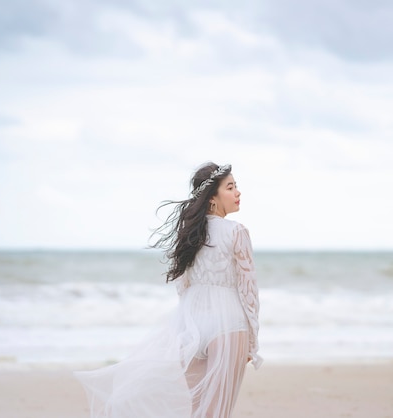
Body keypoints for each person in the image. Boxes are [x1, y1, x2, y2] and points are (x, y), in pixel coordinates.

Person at [75, 162, 262, 418]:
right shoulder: (237, 231)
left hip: (192, 323)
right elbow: (248, 289)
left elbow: (183, 286)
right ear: (212, 199)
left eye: (236, 186)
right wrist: (252, 341)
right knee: (218, 412)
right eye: (230, 187)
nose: (238, 192)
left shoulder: (188, 235)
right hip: (229, 322)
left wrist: (187, 323)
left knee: (196, 408)